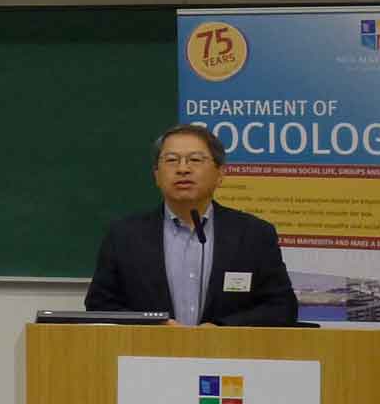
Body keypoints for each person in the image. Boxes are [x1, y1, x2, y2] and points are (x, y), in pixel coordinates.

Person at [83, 124, 298, 326]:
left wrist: (222, 329)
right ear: (156, 175)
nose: (183, 169)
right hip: (149, 351)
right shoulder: (124, 235)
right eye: (171, 160)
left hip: (227, 352)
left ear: (220, 174)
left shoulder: (253, 234)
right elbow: (99, 305)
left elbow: (282, 307)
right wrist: (153, 327)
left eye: (195, 159)